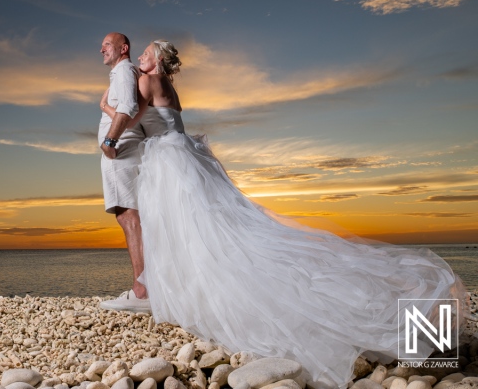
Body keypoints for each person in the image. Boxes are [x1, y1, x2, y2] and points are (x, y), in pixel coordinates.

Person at [128, 39, 468, 389]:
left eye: (146, 53)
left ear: (157, 60)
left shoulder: (146, 80)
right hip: (182, 154)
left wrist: (108, 115)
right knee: (210, 226)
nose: (141, 57)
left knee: (189, 228)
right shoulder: (168, 83)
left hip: (169, 159)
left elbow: (133, 115)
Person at [95, 32, 151, 312]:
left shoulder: (124, 70)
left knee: (128, 215)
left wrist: (109, 142)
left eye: (106, 45)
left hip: (121, 152)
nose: (101, 49)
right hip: (124, 151)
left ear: (123, 48)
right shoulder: (123, 72)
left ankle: (142, 291)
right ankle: (146, 286)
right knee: (129, 214)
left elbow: (128, 107)